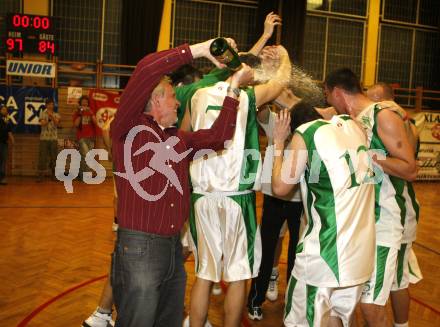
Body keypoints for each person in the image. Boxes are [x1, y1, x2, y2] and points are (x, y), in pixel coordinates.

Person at [110, 37, 254, 327]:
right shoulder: (128, 128)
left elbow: (219, 137)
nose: (179, 100)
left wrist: (234, 89)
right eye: (172, 96)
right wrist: (200, 50)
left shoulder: (178, 139)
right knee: (137, 320)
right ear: (155, 101)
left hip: (172, 249)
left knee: (169, 319)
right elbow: (145, 70)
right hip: (139, 247)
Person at [187, 45, 291, 327]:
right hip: (235, 197)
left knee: (205, 275)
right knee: (238, 275)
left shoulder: (198, 95)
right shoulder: (246, 97)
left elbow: (186, 133)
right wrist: (284, 54)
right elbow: (282, 81)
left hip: (201, 195)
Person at [324, 68, 417, 327]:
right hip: (358, 223)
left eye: (328, 96)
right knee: (348, 300)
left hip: (383, 223)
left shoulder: (383, 115)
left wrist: (369, 155)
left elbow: (410, 169)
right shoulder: (350, 118)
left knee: (371, 305)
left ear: (337, 92)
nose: (328, 103)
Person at [272, 101, 376, 326]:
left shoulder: (307, 133)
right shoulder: (353, 127)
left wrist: (279, 142)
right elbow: (348, 117)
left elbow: (280, 187)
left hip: (326, 254)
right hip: (360, 254)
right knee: (337, 318)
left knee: (300, 320)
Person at [367, 82, 422, 327]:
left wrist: (376, 158)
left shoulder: (403, 123)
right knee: (376, 281)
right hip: (382, 210)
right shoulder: (377, 122)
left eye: (375, 101)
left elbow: (409, 167)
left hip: (401, 211)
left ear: (388, 101)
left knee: (397, 281)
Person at [247, 92, 303, 321]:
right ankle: (255, 300)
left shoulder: (307, 123)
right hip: (274, 197)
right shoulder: (274, 120)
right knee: (266, 252)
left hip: (300, 201)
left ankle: (293, 302)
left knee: (296, 256)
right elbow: (260, 105)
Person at [37, 98, 61, 182]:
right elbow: (42, 124)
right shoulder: (42, 113)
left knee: (54, 157)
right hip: (44, 138)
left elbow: (57, 124)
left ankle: (54, 175)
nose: (51, 106)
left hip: (53, 138)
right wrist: (49, 119)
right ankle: (40, 175)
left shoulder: (56, 114)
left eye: (52, 104)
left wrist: (52, 116)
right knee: (42, 157)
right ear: (46, 105)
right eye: (49, 104)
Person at [73, 95, 96, 180]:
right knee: (87, 156)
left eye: (86, 102)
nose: (84, 103)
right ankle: (86, 175)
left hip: (90, 137)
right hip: (81, 137)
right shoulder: (77, 112)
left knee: (84, 157)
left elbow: (96, 122)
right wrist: (80, 113)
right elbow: (75, 124)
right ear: (80, 103)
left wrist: (90, 112)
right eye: (83, 102)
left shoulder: (90, 112)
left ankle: (81, 175)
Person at [0, 105, 14, 185]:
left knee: (3, 161)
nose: (5, 111)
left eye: (6, 110)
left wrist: (12, 140)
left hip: (4, 143)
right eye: (3, 109)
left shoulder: (7, 120)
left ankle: (2, 178)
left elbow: (9, 131)